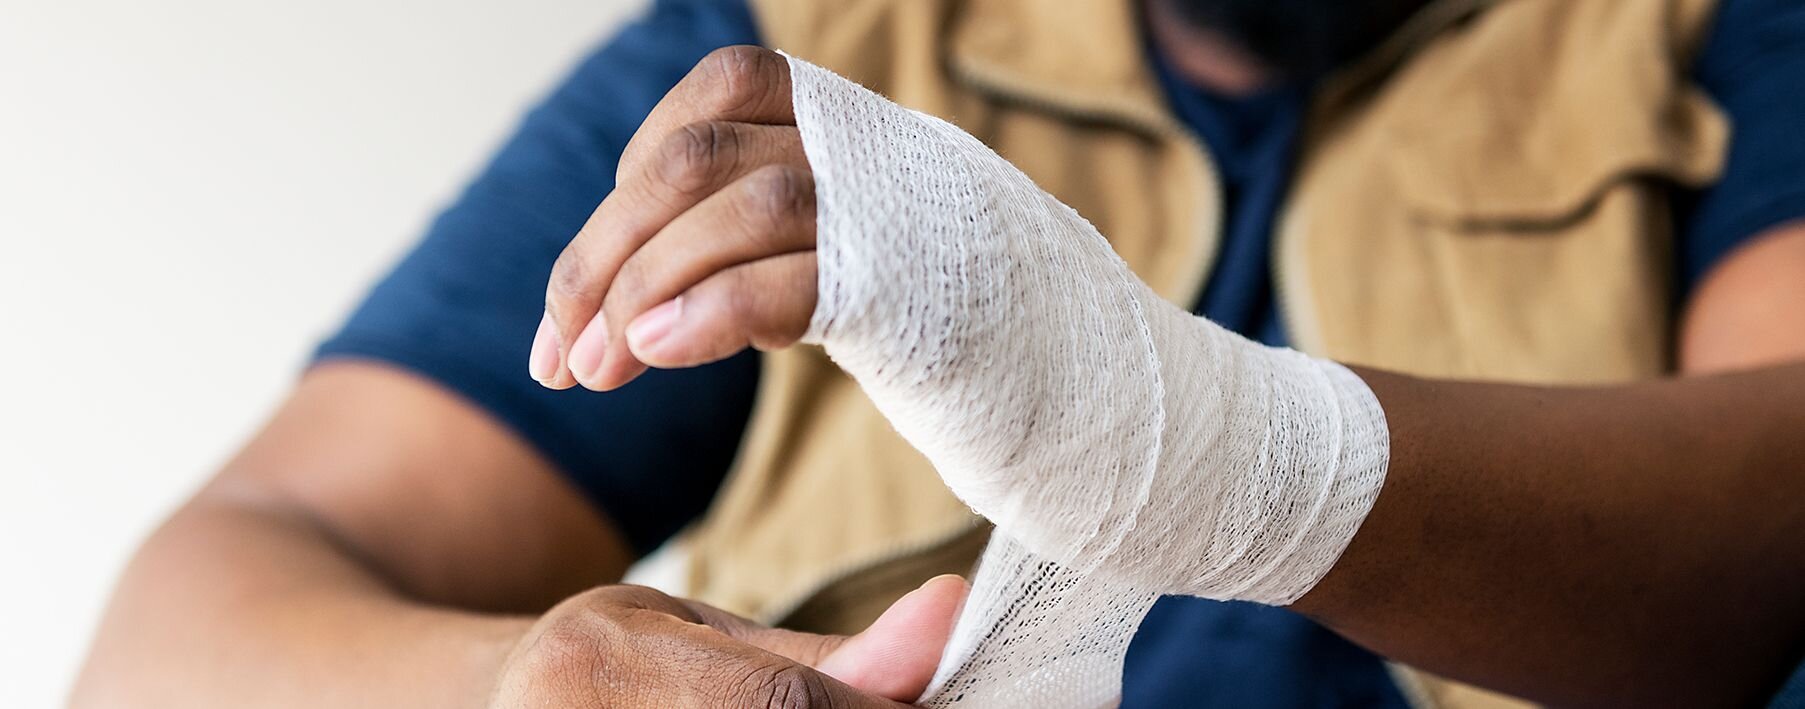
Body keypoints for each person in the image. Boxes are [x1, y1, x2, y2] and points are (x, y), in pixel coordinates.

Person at [73, 0, 1805, 706]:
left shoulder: (1706, 33)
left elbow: (1776, 498)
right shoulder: (784, 55)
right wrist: (537, 682)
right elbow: (176, 633)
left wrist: (1197, 443)